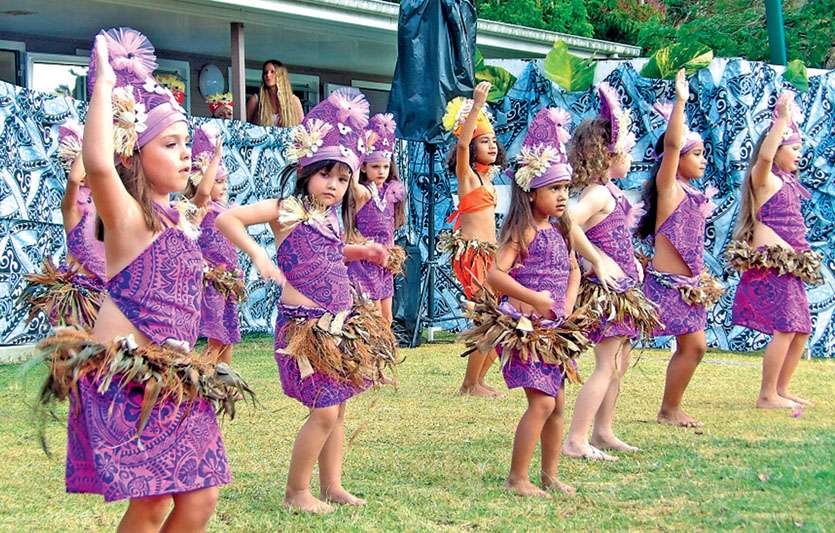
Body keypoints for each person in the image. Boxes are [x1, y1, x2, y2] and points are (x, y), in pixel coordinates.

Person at [217, 88, 398, 514]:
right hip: (305, 326)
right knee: (323, 410)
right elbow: (228, 218)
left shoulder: (332, 218)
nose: (333, 185)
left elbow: (332, 254)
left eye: (341, 178)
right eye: (325, 175)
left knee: (338, 407)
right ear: (306, 171)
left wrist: (365, 251)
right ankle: (296, 491)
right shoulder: (286, 208)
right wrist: (258, 253)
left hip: (338, 324)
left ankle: (332, 485)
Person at [636, 69, 724, 428]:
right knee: (623, 346)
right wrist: (681, 103)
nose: (703, 159)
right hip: (663, 286)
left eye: (704, 154)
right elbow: (671, 145)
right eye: (698, 153)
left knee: (695, 346)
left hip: (687, 289)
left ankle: (669, 408)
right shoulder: (669, 189)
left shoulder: (692, 194)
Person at [727, 91, 821, 409]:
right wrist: (781, 120)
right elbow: (764, 158)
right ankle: (767, 394)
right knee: (786, 326)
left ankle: (782, 388)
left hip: (791, 264)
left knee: (801, 329)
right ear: (777, 148)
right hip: (774, 263)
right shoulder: (764, 179)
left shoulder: (790, 181)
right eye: (793, 148)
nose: (798, 154)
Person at [245, 59, 303, 127]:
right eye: (265, 72)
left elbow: (302, 127)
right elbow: (245, 126)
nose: (268, 75)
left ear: (281, 75)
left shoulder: (293, 100)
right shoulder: (256, 100)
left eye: (272, 72)